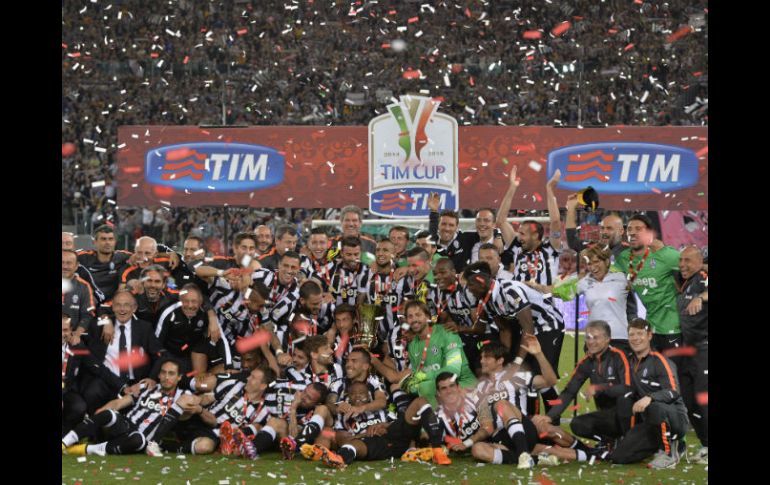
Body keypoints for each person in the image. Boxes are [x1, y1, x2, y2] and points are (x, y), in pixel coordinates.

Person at [62, 358, 196, 456]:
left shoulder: (183, 396)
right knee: (109, 413)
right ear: (159, 374)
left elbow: (186, 415)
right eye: (163, 372)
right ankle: (64, 442)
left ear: (179, 377)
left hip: (143, 439)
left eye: (171, 373)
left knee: (137, 440)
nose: (166, 377)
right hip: (125, 425)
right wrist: (100, 414)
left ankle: (85, 449)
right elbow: (119, 403)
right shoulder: (146, 387)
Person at [533, 320, 633, 451]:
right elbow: (569, 392)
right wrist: (550, 416)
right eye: (588, 337)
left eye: (596, 337)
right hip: (606, 416)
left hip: (629, 415)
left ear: (607, 339)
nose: (591, 342)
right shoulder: (586, 362)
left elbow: (628, 388)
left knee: (624, 400)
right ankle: (608, 441)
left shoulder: (619, 356)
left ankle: (626, 440)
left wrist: (599, 388)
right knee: (577, 424)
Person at [605, 318, 688, 469]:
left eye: (640, 334)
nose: (635, 338)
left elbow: (674, 391)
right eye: (632, 334)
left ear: (649, 336)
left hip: (674, 418)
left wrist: (650, 397)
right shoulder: (628, 361)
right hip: (649, 421)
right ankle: (652, 445)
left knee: (654, 406)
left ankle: (670, 451)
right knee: (619, 457)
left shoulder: (661, 361)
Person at [306, 392, 451, 468]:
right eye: (353, 394)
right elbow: (342, 437)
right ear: (348, 398)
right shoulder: (345, 417)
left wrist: (384, 425)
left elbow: (398, 423)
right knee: (354, 444)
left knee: (420, 402)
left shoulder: (381, 410)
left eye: (361, 393)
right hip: (375, 443)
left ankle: (437, 451)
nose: (358, 397)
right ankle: (340, 458)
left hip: (395, 434)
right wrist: (366, 433)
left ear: (368, 396)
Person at [78, 290, 166, 415]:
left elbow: (159, 355)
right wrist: (106, 320)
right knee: (92, 392)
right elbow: (91, 359)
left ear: (134, 308)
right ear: (113, 307)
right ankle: (95, 424)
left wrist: (151, 378)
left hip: (135, 381)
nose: (122, 309)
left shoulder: (144, 327)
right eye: (118, 305)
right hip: (106, 379)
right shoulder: (99, 327)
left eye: (126, 305)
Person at [613, 214, 682, 356]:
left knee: (674, 370)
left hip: (674, 328)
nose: (632, 232)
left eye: (638, 229)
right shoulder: (623, 259)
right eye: (630, 229)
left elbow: (697, 265)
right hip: (651, 329)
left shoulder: (666, 255)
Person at [400, 300, 476, 405]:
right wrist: (411, 386)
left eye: (418, 315)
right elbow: (415, 377)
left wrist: (424, 376)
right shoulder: (412, 345)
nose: (414, 320)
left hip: (462, 384)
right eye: (410, 316)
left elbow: (454, 370)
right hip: (437, 389)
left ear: (427, 317)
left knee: (425, 388)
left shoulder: (447, 332)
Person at [496, 167, 562, 288]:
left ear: (535, 235)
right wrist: (512, 187)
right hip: (520, 298)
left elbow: (555, 222)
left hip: (543, 298)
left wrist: (549, 189)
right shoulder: (517, 247)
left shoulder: (551, 248)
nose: (519, 237)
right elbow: (500, 221)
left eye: (522, 234)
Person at [676, 245, 708, 464]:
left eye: (687, 260)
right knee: (689, 400)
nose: (682, 265)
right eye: (681, 260)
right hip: (687, 350)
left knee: (703, 399)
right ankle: (705, 445)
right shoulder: (685, 281)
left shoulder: (702, 278)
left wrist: (701, 298)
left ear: (699, 262)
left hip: (704, 349)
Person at [155, 284, 233, 374]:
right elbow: (156, 343)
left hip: (191, 353)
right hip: (169, 352)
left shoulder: (207, 314)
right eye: (186, 301)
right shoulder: (169, 312)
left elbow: (221, 338)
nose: (190, 305)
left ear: (201, 302)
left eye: (194, 301)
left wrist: (228, 365)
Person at [576, 246, 631, 353]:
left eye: (596, 261)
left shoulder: (621, 278)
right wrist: (539, 286)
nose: (593, 267)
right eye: (589, 264)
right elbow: (559, 291)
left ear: (606, 262)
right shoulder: (585, 281)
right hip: (593, 339)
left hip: (618, 337)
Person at [426, 193, 495, 272]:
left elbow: (486, 230)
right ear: (438, 225)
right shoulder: (431, 241)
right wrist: (434, 211)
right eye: (444, 224)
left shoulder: (466, 239)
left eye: (451, 225)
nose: (447, 228)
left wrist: (498, 235)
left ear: (457, 227)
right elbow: (432, 230)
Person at [76, 224, 132, 304]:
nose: (107, 242)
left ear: (115, 242)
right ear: (94, 242)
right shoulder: (83, 257)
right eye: (103, 239)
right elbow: (67, 257)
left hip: (115, 304)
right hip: (90, 302)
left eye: (111, 239)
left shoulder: (123, 257)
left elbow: (140, 257)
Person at [62, 249, 97, 344]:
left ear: (76, 266)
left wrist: (77, 334)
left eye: (69, 263)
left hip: (71, 338)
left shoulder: (84, 286)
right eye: (62, 262)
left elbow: (87, 315)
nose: (64, 266)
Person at [326, 236, 371, 307]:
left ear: (361, 253)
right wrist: (324, 293)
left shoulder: (367, 271)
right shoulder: (331, 267)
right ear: (341, 253)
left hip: (355, 312)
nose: (353, 258)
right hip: (333, 312)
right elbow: (315, 281)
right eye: (349, 254)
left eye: (356, 254)